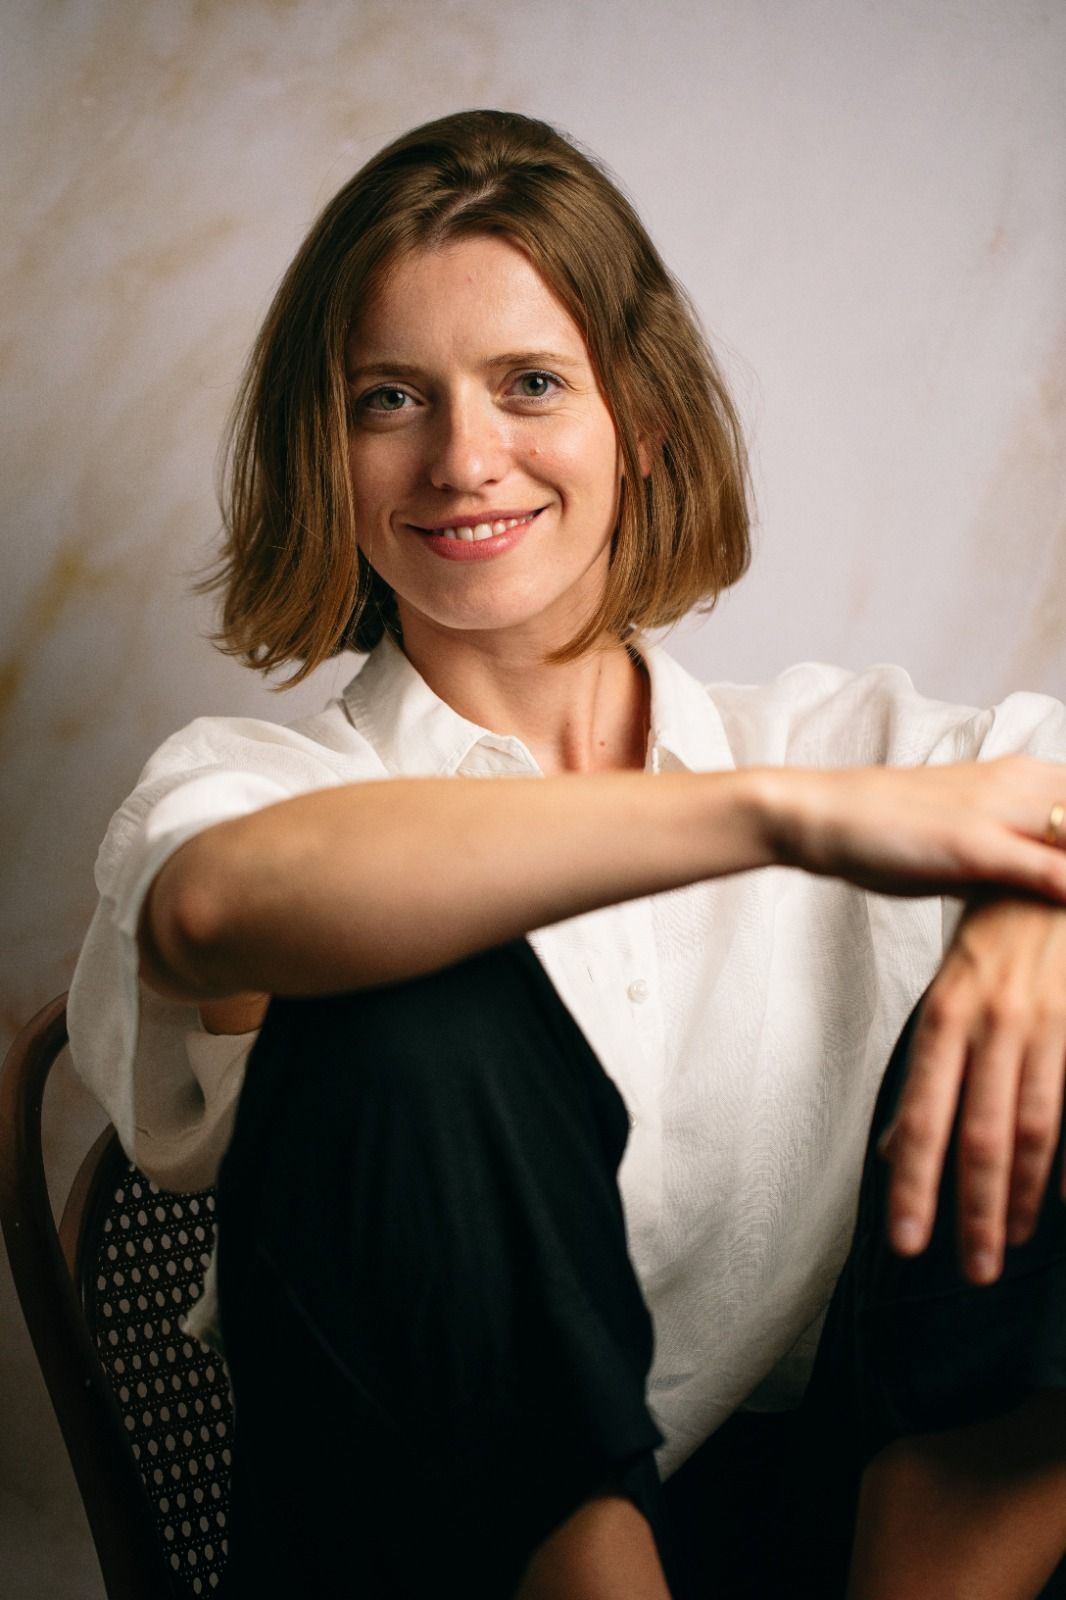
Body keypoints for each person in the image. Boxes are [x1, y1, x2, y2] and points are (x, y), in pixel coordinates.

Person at [68, 109, 1066, 1598]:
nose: (464, 459)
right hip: (423, 1544)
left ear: (639, 419)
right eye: (389, 399)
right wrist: (784, 818)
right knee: (411, 988)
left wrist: (1034, 912)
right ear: (325, 452)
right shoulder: (258, 785)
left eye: (530, 383)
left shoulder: (844, 734)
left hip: (825, 1533)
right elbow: (211, 909)